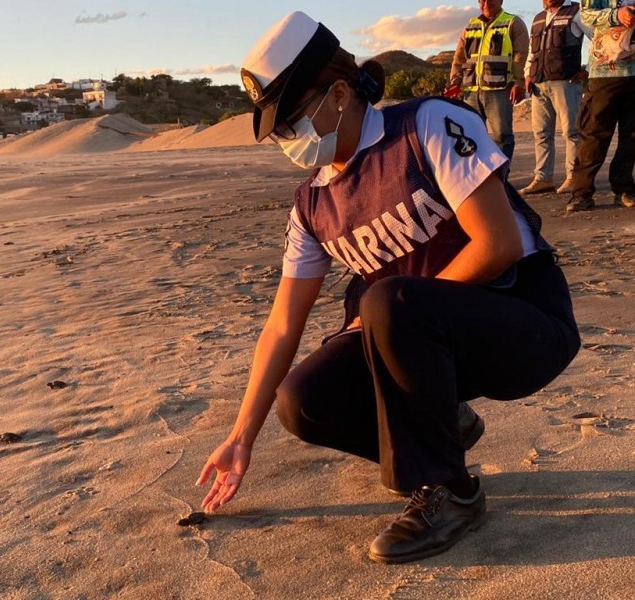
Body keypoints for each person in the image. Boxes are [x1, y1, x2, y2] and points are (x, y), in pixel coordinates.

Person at [196, 11, 580, 564]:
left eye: (292, 120)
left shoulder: (427, 126)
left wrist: (391, 312)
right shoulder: (312, 206)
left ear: (340, 93)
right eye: (277, 130)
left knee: (387, 300)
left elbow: (498, 246)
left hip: (524, 320)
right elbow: (283, 324)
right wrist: (241, 437)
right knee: (303, 400)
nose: (288, 139)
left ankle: (449, 490)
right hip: (422, 343)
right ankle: (445, 426)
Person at [519, 1, 593, 196]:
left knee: (572, 132)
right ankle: (543, 179)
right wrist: (527, 73)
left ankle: (573, 177)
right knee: (541, 134)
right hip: (539, 83)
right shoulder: (538, 18)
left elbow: (598, 38)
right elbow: (532, 51)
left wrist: (588, 69)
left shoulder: (576, 12)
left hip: (566, 82)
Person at [566, 0, 635, 211]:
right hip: (604, 72)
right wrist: (617, 14)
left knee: (632, 136)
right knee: (594, 134)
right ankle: (581, 193)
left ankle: (624, 189)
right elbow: (585, 15)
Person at [449, 0, 529, 160]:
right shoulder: (470, 26)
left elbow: (521, 54)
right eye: (482, 0)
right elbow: (459, 57)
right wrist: (455, 80)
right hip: (471, 92)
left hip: (499, 90)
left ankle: (501, 179)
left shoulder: (513, 23)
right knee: (470, 137)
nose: (486, 3)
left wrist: (520, 83)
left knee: (502, 137)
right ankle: (478, 179)